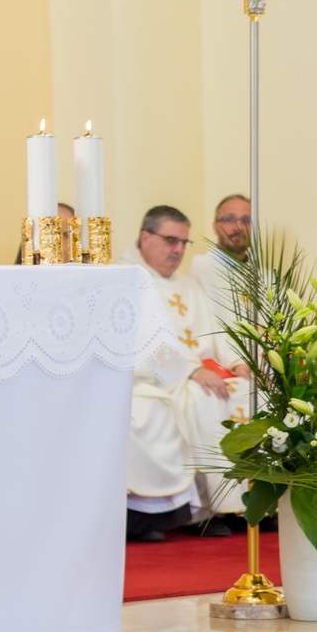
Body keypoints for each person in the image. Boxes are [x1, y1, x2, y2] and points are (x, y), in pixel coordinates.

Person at [120, 205, 249, 542]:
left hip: (200, 372)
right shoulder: (125, 278)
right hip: (154, 378)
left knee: (244, 392)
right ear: (145, 237)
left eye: (184, 243)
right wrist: (191, 370)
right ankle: (207, 510)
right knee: (204, 398)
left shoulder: (188, 284)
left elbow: (217, 332)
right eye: (171, 240)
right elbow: (142, 342)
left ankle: (247, 507)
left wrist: (237, 362)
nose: (178, 250)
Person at [189, 194, 250, 316]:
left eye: (246, 220)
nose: (239, 227)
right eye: (229, 220)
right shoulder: (201, 270)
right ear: (215, 227)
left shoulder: (266, 278)